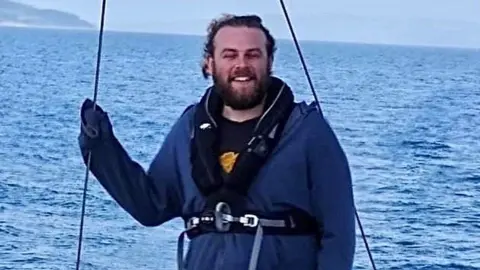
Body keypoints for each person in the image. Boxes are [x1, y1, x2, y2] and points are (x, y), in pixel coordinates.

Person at [78, 13, 356, 270]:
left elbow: (338, 231)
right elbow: (152, 206)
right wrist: (100, 146)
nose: (241, 65)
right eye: (230, 55)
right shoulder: (189, 129)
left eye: (253, 55)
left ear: (269, 61)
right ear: (210, 63)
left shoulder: (307, 131)